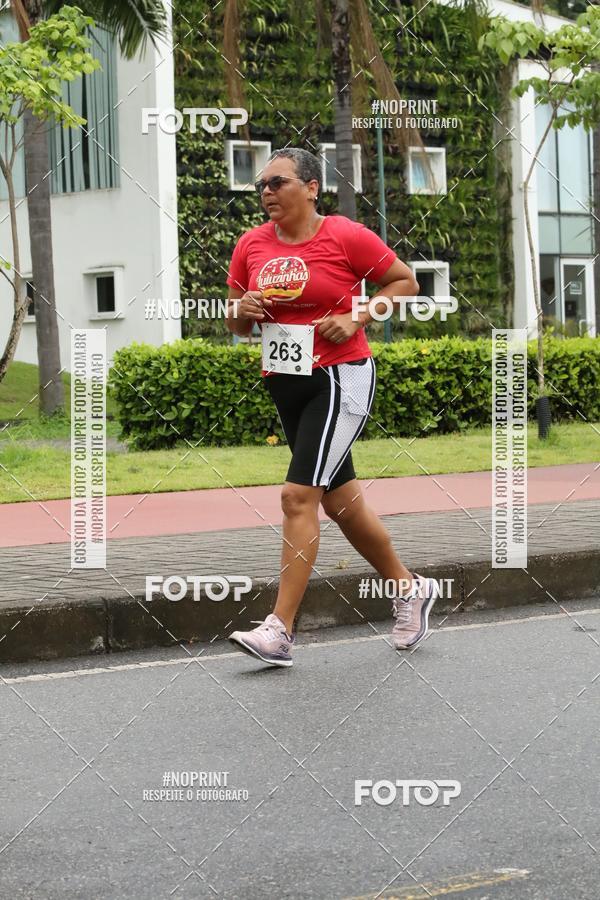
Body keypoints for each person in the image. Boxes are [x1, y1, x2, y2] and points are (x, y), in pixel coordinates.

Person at [225, 147, 437, 667]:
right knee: (341, 504)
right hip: (286, 382)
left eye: (278, 182)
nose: (267, 192)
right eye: (262, 185)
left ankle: (279, 630)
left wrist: (360, 314)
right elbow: (234, 320)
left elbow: (405, 280)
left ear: (312, 187)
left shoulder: (343, 235)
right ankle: (410, 589)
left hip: (339, 376)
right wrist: (242, 309)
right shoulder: (250, 245)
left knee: (298, 496)